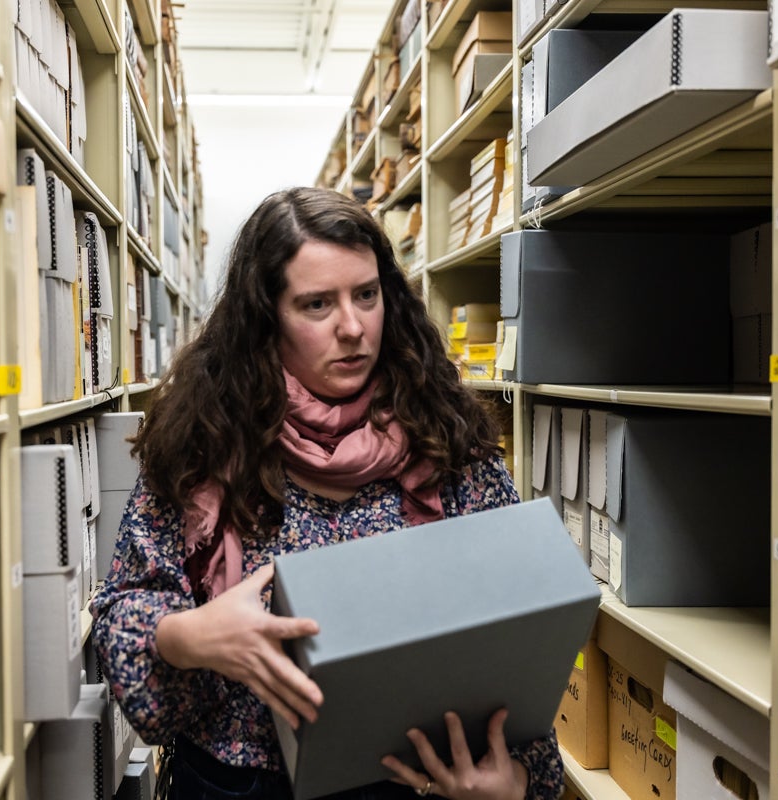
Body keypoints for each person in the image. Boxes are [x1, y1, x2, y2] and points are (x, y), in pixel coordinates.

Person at [90, 187, 563, 799]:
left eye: (366, 295)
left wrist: (518, 785)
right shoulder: (202, 446)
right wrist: (184, 635)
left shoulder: (450, 447)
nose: (353, 327)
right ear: (267, 319)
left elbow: (521, 646)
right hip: (234, 785)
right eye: (317, 304)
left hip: (411, 785)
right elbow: (121, 610)